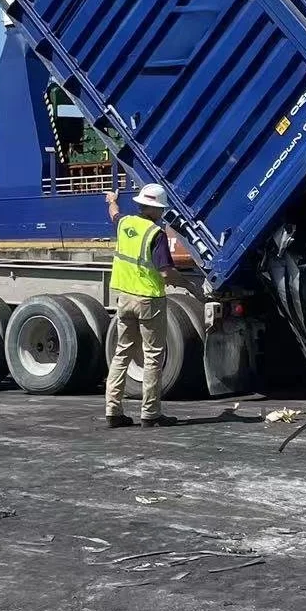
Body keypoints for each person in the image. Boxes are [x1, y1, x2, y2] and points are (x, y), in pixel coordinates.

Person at [103, 183, 193, 429]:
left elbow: (114, 214)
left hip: (124, 298)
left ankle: (113, 412)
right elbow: (165, 274)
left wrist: (112, 199)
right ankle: (150, 413)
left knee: (122, 353)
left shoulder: (125, 224)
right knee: (153, 356)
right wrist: (189, 285)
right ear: (156, 209)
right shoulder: (156, 234)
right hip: (149, 301)